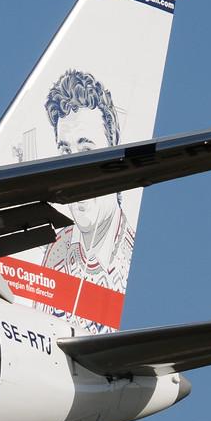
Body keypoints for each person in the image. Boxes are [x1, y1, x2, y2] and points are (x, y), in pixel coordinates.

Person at [39, 68, 134, 293]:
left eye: (86, 151)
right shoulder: (56, 250)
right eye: (65, 154)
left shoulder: (126, 253)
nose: (73, 174)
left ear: (114, 148)